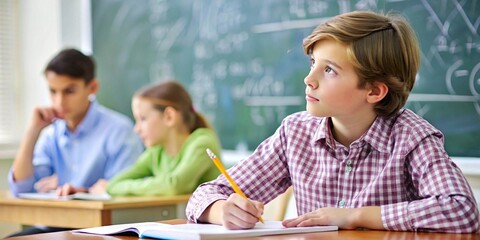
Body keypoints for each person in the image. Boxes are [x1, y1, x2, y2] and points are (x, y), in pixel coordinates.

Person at [185, 11, 479, 233]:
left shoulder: (411, 137)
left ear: (374, 91)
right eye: (313, 63)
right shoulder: (295, 133)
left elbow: (462, 210)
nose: (308, 79)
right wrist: (221, 210)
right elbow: (205, 195)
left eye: (329, 70)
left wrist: (354, 215)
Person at [7, 48, 144, 236]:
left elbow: (125, 192)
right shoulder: (51, 134)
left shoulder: (119, 131)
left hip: (107, 230)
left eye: (69, 91)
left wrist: (86, 192)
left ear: (92, 88)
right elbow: (21, 188)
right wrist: (32, 131)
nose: (59, 102)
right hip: (61, 225)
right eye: (53, 91)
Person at [105, 81, 222, 196]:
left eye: (143, 119)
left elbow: (174, 186)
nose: (137, 129)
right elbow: (113, 184)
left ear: (169, 117)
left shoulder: (202, 143)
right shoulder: (156, 152)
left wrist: (128, 186)